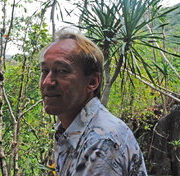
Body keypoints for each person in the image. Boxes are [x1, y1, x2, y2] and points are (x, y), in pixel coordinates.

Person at [40, 28, 148, 176]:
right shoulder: (70, 132)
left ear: (92, 82)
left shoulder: (101, 142)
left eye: (62, 71)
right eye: (45, 71)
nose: (47, 82)